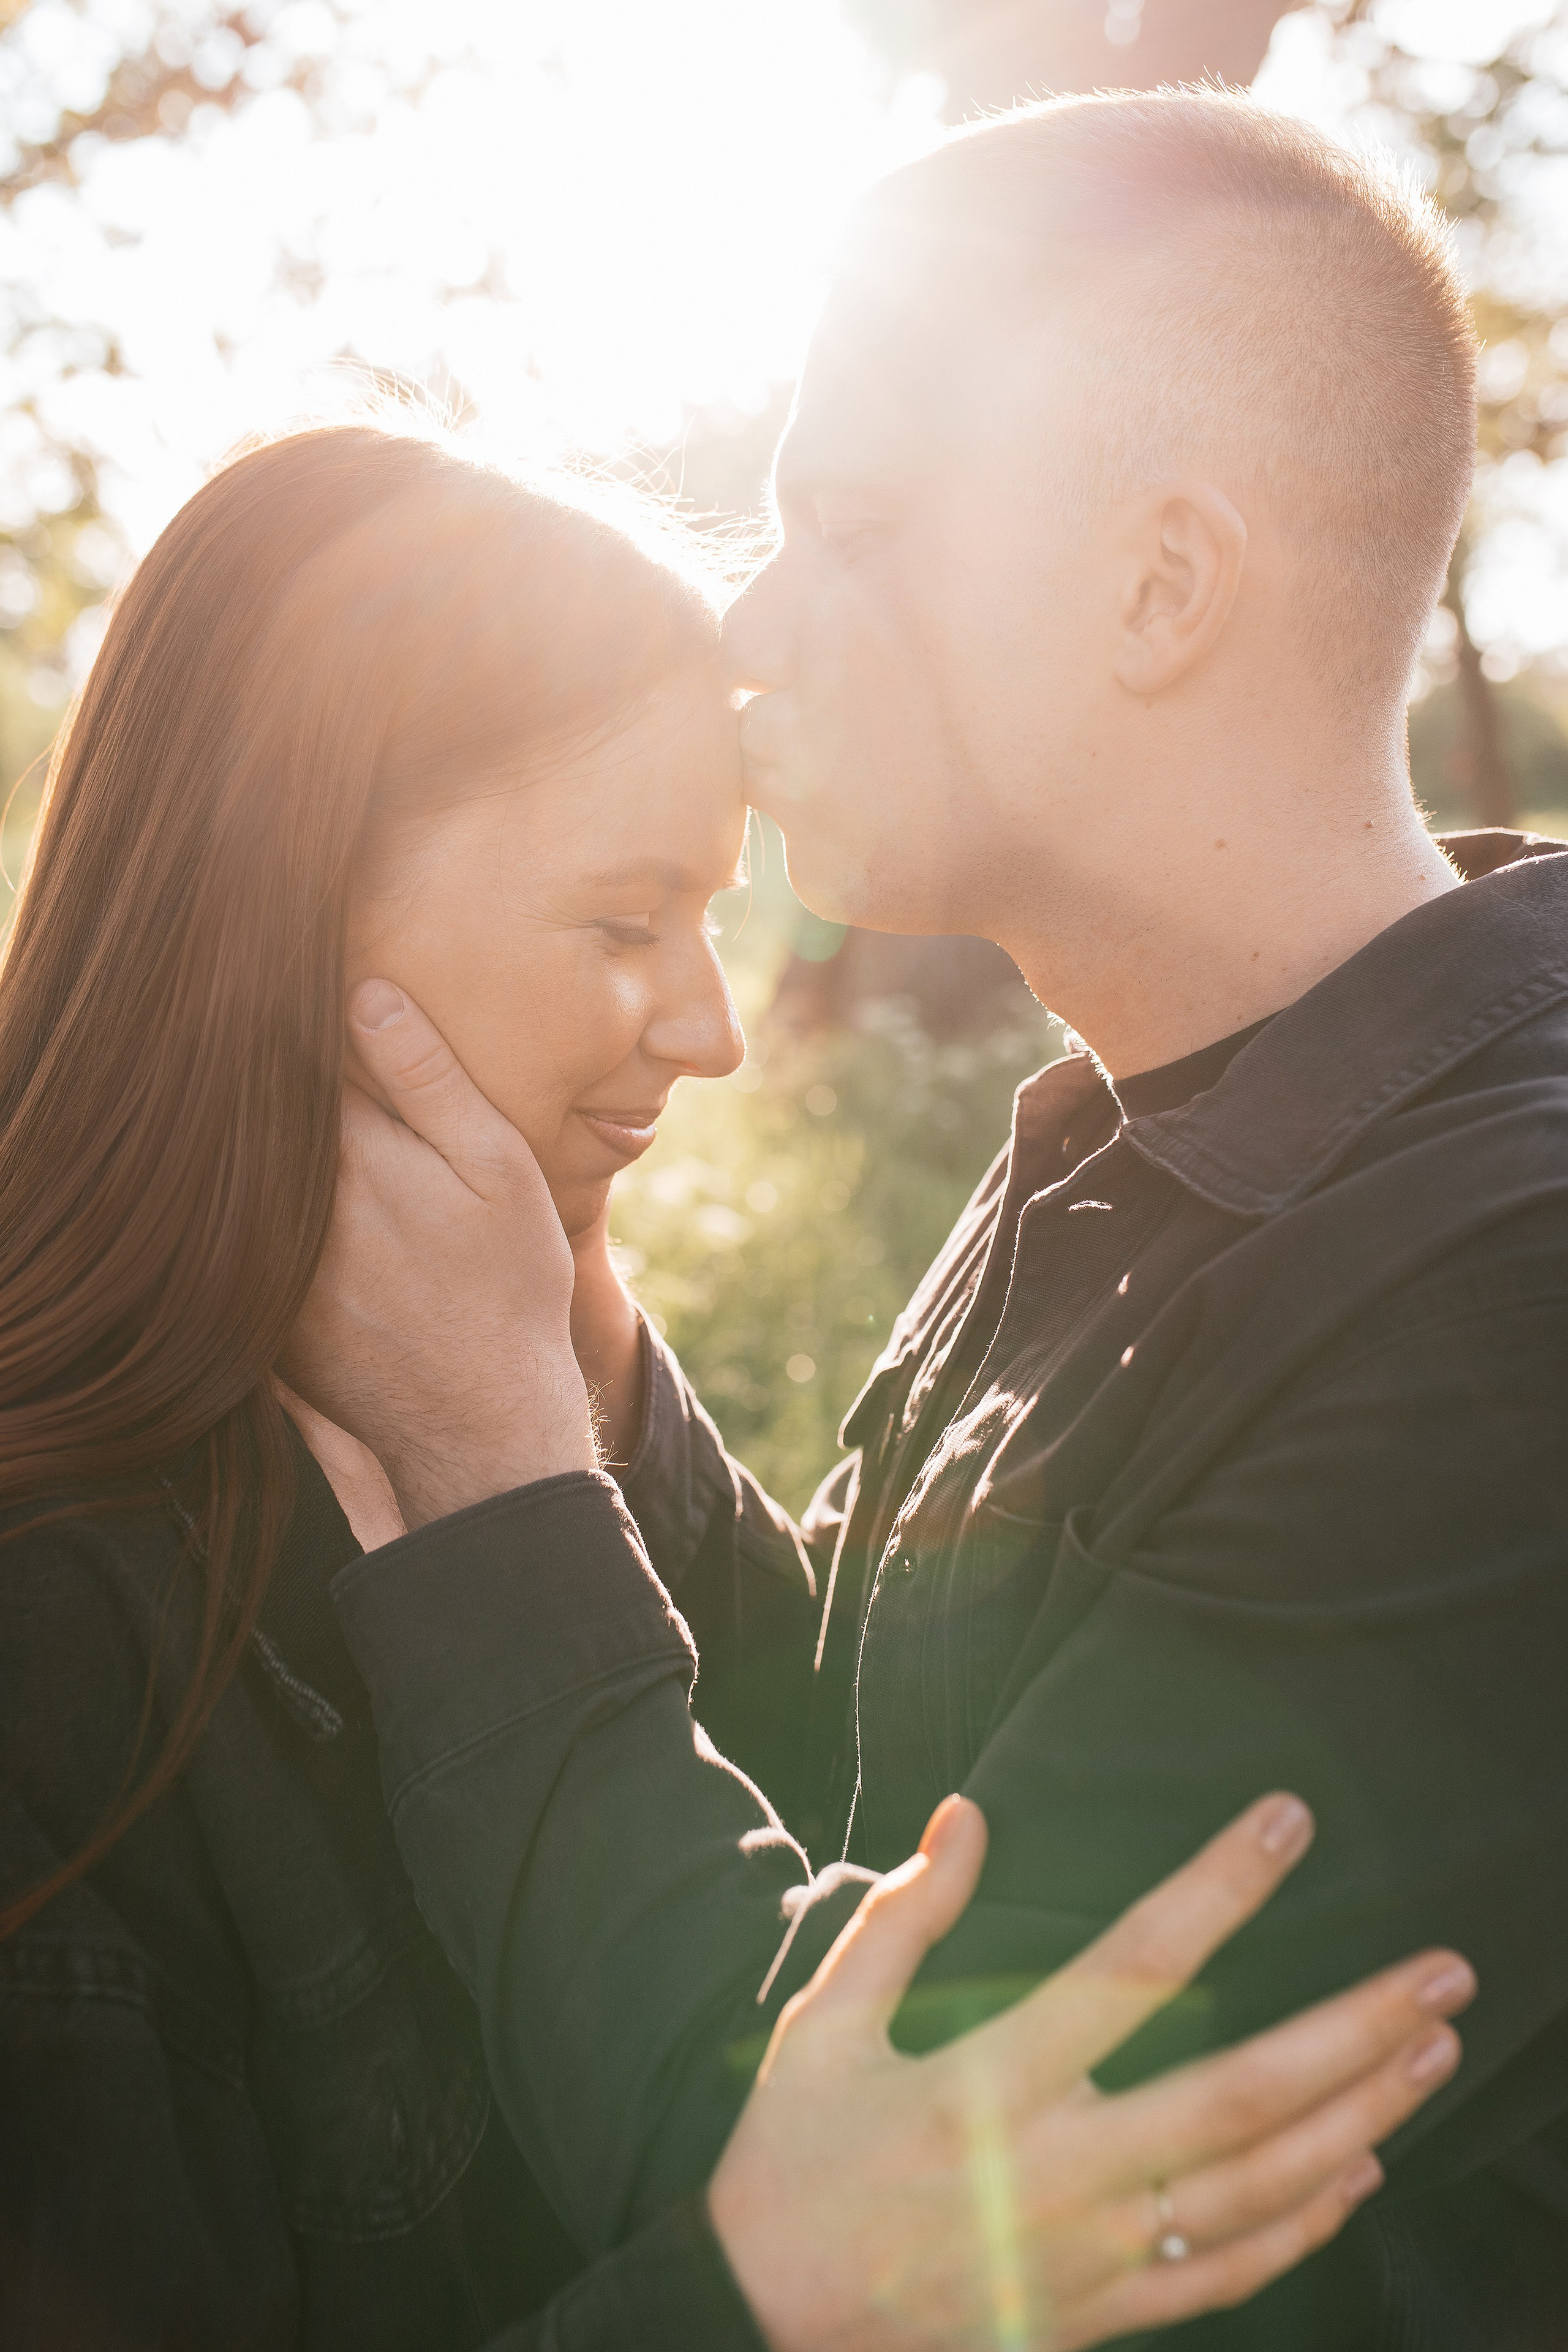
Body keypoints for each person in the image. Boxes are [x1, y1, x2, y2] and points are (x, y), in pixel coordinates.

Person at [291, 91, 1568, 2351]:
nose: (755, 626)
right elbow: (884, 1799)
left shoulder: (1510, 1286)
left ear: (1161, 585)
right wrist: (583, 1374)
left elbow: (849, 2186)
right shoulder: (1140, 1138)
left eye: (852, 521)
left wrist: (494, 1484)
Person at [0, 420, 1462, 2352]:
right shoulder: (57, 1635)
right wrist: (771, 2300)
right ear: (283, 904)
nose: (706, 1029)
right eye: (622, 923)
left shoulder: (512, 1407)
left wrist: (568, 1390)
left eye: (716, 916)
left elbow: (820, 1798)